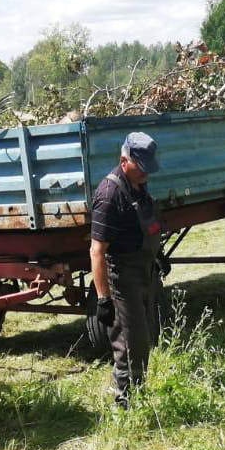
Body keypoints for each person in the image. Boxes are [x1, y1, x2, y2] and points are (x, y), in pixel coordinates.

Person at [89, 132, 163, 407]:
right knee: (129, 343)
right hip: (122, 278)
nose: (146, 174)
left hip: (144, 270)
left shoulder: (138, 185)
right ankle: (124, 404)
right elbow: (97, 251)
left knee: (144, 338)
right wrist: (103, 299)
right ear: (124, 161)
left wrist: (158, 255)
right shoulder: (109, 195)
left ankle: (138, 393)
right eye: (141, 167)